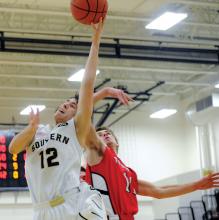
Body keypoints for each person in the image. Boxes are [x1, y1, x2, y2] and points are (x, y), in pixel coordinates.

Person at [9, 19, 107, 220]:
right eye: (65, 102)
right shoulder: (39, 131)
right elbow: (13, 149)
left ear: (78, 113)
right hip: (41, 211)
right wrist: (30, 129)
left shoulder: (75, 129)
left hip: (69, 205)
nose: (65, 104)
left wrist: (95, 42)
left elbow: (87, 85)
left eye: (72, 105)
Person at [84, 125, 219, 220]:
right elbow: (85, 123)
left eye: (107, 133)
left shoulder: (126, 171)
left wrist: (196, 185)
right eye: (100, 135)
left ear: (117, 143)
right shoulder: (100, 159)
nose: (105, 134)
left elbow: (158, 191)